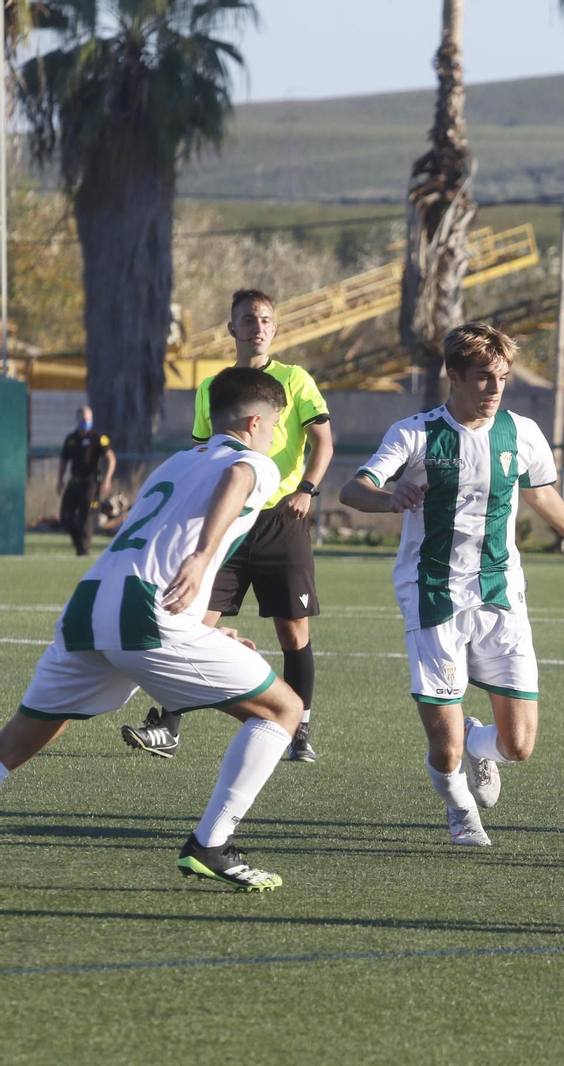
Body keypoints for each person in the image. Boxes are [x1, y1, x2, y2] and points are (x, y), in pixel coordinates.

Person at [1, 368, 305, 890]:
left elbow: (156, 542)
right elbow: (239, 477)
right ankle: (211, 845)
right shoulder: (255, 462)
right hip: (146, 613)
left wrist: (203, 629)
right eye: (276, 425)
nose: (275, 436)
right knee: (283, 709)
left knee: (18, 740)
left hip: (91, 603)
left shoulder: (177, 461)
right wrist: (203, 556)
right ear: (256, 422)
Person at [339, 323, 564, 847]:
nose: (495, 388)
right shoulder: (415, 433)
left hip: (501, 592)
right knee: (445, 749)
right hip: (432, 591)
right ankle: (460, 810)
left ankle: (476, 744)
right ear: (455, 376)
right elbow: (354, 489)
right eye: (483, 377)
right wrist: (388, 499)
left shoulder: (521, 432)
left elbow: (541, 492)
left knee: (519, 745)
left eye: (502, 377)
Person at [122, 289, 333, 762]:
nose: (258, 327)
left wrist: (307, 489)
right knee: (190, 622)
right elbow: (204, 453)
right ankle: (168, 726)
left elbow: (324, 442)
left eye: (266, 319)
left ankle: (298, 730)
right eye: (248, 319)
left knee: (293, 634)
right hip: (230, 521)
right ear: (232, 329)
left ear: (275, 328)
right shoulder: (213, 387)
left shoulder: (295, 379)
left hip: (281, 521)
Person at [58, 405, 116, 556]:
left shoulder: (98, 438)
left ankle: (83, 549)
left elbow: (111, 458)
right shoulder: (71, 439)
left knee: (86, 516)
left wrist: (107, 479)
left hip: (91, 483)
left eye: (89, 419)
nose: (86, 422)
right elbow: (64, 460)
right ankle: (79, 543)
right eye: (84, 419)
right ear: (77, 419)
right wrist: (60, 479)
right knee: (66, 516)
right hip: (74, 481)